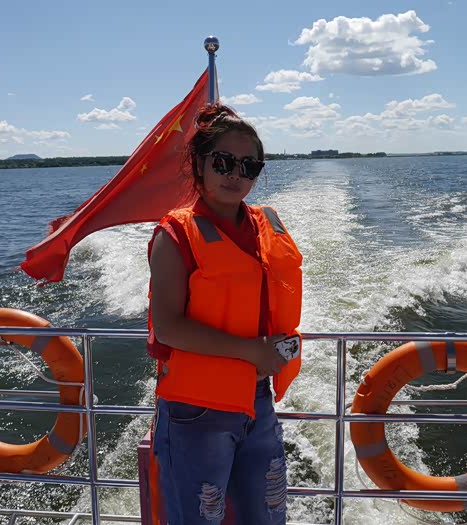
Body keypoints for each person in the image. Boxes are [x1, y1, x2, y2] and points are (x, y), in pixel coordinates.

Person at [147, 102, 303, 525]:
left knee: (268, 515)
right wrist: (252, 351)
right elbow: (168, 327)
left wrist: (266, 355)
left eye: (249, 166)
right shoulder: (175, 234)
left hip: (258, 399)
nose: (236, 174)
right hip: (196, 410)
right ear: (199, 163)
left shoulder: (267, 224)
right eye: (223, 162)